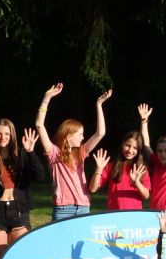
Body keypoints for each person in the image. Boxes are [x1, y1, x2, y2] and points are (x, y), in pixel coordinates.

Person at [35, 83, 112, 220]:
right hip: (63, 209)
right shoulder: (54, 153)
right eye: (80, 134)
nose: (83, 137)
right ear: (69, 137)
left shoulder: (80, 152)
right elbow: (39, 125)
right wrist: (46, 98)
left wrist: (99, 105)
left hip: (83, 207)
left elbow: (100, 133)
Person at [0, 119, 45, 259]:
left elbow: (40, 176)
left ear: (12, 135)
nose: (3, 137)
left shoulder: (22, 156)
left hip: (18, 211)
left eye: (7, 133)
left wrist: (30, 152)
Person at [89, 131, 151, 210]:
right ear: (122, 144)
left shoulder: (142, 169)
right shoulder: (111, 166)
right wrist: (99, 169)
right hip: (114, 214)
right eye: (128, 145)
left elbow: (146, 196)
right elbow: (93, 189)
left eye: (135, 148)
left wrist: (137, 182)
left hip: (134, 216)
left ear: (139, 150)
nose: (130, 150)